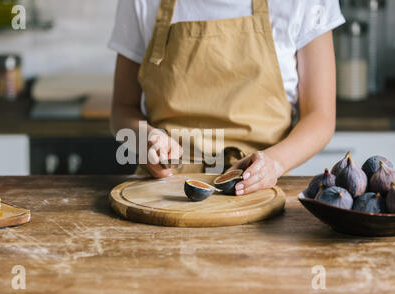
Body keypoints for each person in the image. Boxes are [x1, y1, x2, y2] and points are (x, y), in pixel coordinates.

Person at [109, 0, 345, 196]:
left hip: (263, 190)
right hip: (162, 192)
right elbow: (122, 108)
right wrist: (146, 139)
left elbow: (320, 116)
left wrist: (275, 163)